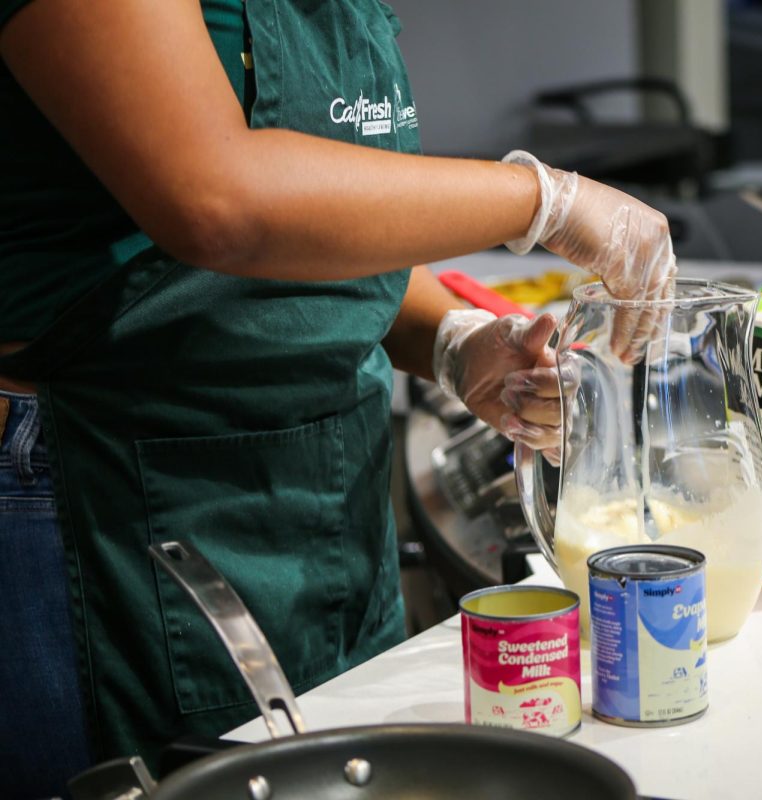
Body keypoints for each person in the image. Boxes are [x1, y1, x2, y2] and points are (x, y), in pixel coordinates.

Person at [0, 1, 676, 796]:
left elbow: (317, 218)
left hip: (322, 504)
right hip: (111, 499)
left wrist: (452, 343)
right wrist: (542, 201)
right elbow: (214, 199)